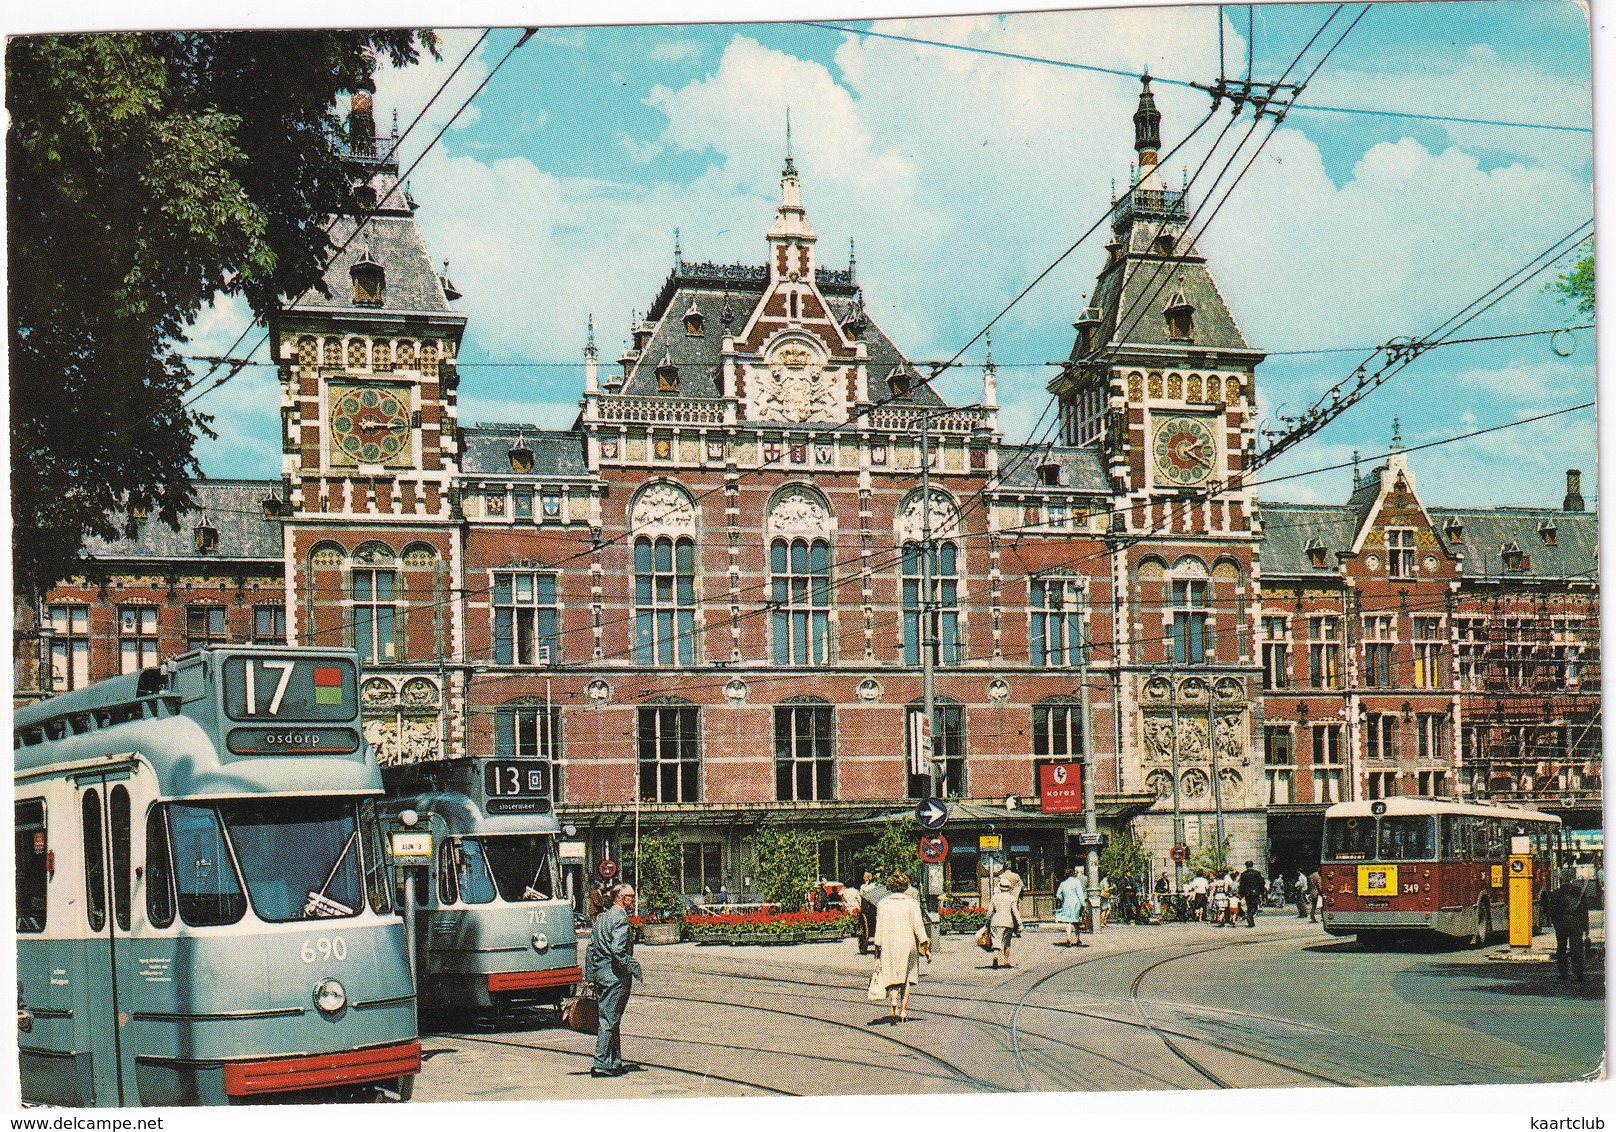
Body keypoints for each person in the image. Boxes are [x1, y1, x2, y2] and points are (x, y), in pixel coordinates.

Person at [585, 883, 644, 1078]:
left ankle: (614, 1062)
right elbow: (618, 952)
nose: (633, 900)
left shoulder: (603, 918)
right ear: (621, 898)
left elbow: (591, 948)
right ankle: (601, 1063)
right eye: (631, 896)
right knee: (609, 1020)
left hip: (602, 975)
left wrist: (591, 977)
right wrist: (634, 967)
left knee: (611, 1018)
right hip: (615, 977)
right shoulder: (619, 919)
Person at [868, 871, 930, 1021]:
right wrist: (926, 948)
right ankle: (903, 1010)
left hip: (889, 943)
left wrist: (877, 946)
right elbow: (918, 927)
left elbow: (879, 927)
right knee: (907, 976)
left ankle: (893, 1001)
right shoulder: (912, 903)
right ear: (905, 886)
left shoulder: (882, 903)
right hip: (908, 943)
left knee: (891, 974)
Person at [1540, 867, 1591, 982]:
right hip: (1577, 923)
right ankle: (1578, 972)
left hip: (1562, 923)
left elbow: (1552, 910)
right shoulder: (1579, 892)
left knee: (1561, 948)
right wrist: (1586, 927)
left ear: (1561, 879)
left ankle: (1564, 972)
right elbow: (1584, 911)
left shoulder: (1556, 893)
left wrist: (1555, 922)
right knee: (1577, 947)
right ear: (1572, 879)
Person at [988, 874, 1024, 968]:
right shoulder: (1012, 899)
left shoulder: (994, 898)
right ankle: (1006, 961)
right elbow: (1015, 912)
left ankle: (995, 956)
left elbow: (989, 912)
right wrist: (1019, 924)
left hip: (996, 922)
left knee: (996, 941)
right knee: (1007, 943)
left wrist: (986, 922)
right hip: (1008, 922)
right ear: (1009, 888)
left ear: (1000, 887)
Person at [1054, 865, 1088, 947]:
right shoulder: (1077, 882)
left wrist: (1062, 899)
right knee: (1076, 922)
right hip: (1076, 903)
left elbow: (1058, 895)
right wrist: (1083, 904)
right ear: (1073, 874)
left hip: (1067, 903)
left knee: (1068, 921)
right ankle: (1077, 939)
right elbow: (1080, 894)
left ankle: (1068, 938)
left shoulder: (1063, 883)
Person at [858, 871, 889, 955]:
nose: (865, 878)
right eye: (864, 877)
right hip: (870, 908)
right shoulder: (864, 886)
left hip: (874, 907)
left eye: (866, 877)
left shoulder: (874, 886)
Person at [1238, 860, 1267, 928]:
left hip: (1247, 893)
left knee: (1249, 906)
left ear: (1246, 866)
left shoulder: (1243, 874)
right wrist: (1262, 892)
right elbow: (1261, 883)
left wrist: (1241, 894)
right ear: (1252, 865)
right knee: (1254, 906)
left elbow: (1242, 885)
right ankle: (1250, 916)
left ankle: (1250, 921)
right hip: (1256, 892)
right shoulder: (1256, 873)